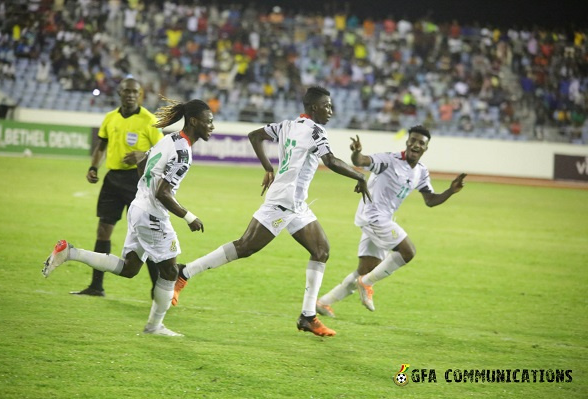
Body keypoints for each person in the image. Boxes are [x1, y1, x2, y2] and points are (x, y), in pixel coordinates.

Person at [172, 86, 371, 337]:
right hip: (283, 202)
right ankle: (185, 271)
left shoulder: (287, 125)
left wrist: (268, 168)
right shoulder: (315, 130)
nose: (331, 110)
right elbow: (330, 161)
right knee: (245, 247)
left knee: (321, 251)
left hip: (296, 204)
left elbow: (255, 135)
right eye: (327, 106)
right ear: (313, 108)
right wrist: (360, 176)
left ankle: (307, 316)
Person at [42, 98, 215, 337]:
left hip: (139, 207)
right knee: (171, 273)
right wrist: (189, 217)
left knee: (130, 268)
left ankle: (70, 252)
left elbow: (143, 167)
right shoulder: (183, 152)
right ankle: (154, 327)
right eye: (209, 121)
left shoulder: (169, 138)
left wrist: (145, 192)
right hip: (152, 214)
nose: (212, 126)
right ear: (194, 121)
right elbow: (162, 192)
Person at [316, 126, 467, 316]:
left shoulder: (421, 171)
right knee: (407, 251)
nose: (416, 145)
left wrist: (451, 191)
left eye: (421, 142)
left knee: (366, 269)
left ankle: (323, 302)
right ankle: (367, 283)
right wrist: (357, 153)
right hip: (373, 216)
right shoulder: (389, 160)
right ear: (407, 142)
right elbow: (361, 161)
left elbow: (430, 201)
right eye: (413, 140)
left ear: (426, 148)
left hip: (383, 219)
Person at [71, 77, 163, 298]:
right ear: (119, 93)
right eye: (127, 91)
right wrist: (94, 166)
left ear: (140, 95)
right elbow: (101, 145)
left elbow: (163, 151)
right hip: (112, 180)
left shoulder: (149, 120)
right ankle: (96, 286)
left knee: (146, 235)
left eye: (135, 92)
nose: (131, 95)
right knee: (103, 230)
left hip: (138, 181)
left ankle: (157, 290)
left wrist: (144, 155)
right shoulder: (110, 118)